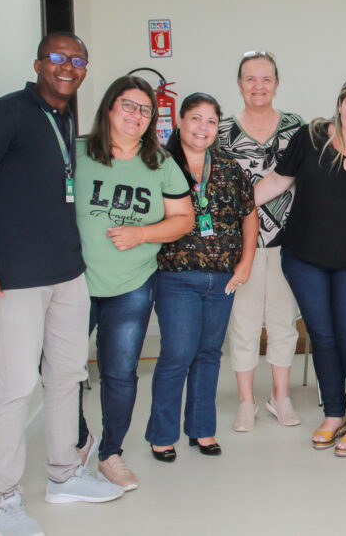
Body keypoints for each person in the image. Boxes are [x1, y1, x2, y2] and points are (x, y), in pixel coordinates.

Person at [0, 32, 123, 535]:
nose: (68, 67)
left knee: (66, 376)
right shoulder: (5, 113)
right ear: (38, 63)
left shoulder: (64, 116)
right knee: (16, 387)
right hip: (16, 278)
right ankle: (2, 502)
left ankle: (64, 475)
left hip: (67, 273)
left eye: (78, 60)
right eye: (58, 58)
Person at [255, 74, 346, 457]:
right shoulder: (310, 138)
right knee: (322, 336)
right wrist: (229, 208)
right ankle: (334, 414)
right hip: (305, 259)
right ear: (339, 105)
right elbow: (277, 182)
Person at [72, 76, 194, 490]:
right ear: (109, 108)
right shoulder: (77, 152)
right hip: (72, 284)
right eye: (128, 105)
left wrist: (141, 233)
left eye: (145, 110)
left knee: (120, 373)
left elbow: (184, 219)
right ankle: (79, 437)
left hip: (131, 284)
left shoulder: (159, 162)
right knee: (57, 367)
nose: (136, 115)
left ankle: (111, 453)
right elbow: (34, 194)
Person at [145, 93, 258, 460]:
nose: (203, 127)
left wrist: (246, 263)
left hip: (222, 277)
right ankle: (162, 435)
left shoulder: (228, 166)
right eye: (196, 118)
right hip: (176, 276)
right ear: (180, 120)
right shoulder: (158, 164)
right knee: (177, 354)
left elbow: (249, 214)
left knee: (209, 354)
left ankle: (202, 429)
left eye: (211, 121)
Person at [217, 51, 305, 432]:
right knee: (245, 325)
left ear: (277, 83)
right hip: (242, 246)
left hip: (289, 242)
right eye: (250, 79)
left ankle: (280, 396)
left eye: (266, 79)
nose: (258, 86)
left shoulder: (296, 128)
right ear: (239, 84)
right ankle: (246, 400)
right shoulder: (221, 131)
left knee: (283, 323)